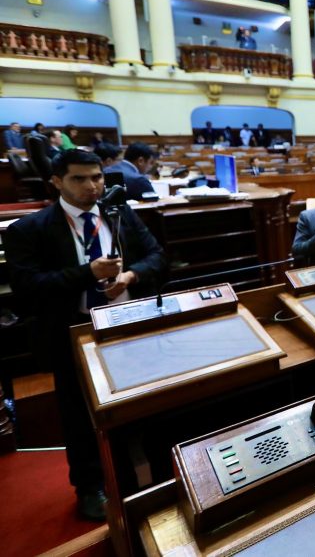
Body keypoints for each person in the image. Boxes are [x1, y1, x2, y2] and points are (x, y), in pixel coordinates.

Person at [5, 149, 165, 521]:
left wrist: (130, 276)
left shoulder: (119, 214)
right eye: (79, 178)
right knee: (79, 417)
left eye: (97, 177)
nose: (92, 186)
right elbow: (28, 287)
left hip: (129, 325)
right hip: (74, 334)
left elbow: (157, 257)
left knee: (143, 404)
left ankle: (145, 474)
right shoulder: (30, 229)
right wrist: (87, 273)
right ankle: (90, 486)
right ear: (57, 181)